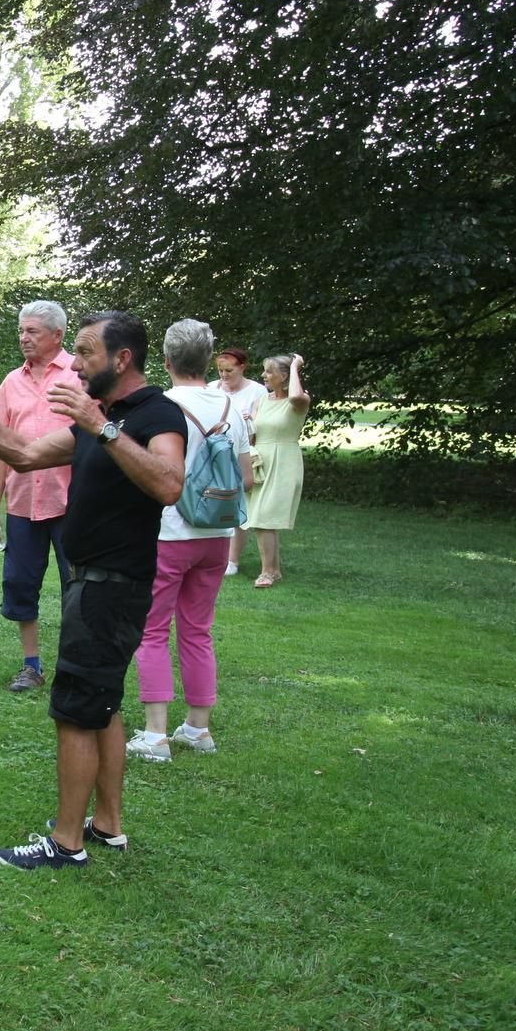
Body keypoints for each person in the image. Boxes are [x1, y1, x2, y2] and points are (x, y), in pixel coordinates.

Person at [0, 310, 186, 870]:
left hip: (112, 586)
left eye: (87, 352)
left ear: (122, 360)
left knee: (75, 710)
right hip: (90, 582)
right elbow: (24, 454)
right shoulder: (107, 416)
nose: (74, 362)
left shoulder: (154, 414)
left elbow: (170, 485)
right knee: (103, 704)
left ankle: (66, 843)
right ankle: (108, 825)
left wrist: (103, 429)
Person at [128, 320, 254, 763]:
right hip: (217, 534)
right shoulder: (232, 407)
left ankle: (155, 734)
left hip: (169, 532)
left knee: (153, 629)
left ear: (165, 361)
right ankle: (198, 728)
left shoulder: (162, 407)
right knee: (198, 630)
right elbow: (247, 476)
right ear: (209, 359)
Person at [0, 301, 83, 691]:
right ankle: (32, 666)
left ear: (57, 335)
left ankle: (73, 666)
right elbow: (1, 446)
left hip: (71, 504)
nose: (24, 338)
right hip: (23, 504)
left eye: (32, 332)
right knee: (21, 584)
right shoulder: (12, 382)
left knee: (75, 588)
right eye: (22, 331)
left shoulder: (81, 376)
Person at [243, 353, 311, 587]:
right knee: (261, 516)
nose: (264, 375)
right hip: (262, 460)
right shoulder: (262, 401)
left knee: (265, 517)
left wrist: (294, 367)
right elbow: (254, 433)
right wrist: (247, 422)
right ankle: (273, 569)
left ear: (283, 376)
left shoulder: (300, 401)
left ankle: (268, 572)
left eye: (269, 371)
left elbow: (294, 395)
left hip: (284, 461)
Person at [214, 347, 268, 575]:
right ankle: (214, 553)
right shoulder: (212, 389)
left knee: (239, 502)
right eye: (220, 370)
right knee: (215, 499)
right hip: (216, 452)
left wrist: (250, 420)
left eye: (229, 370)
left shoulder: (257, 391)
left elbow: (263, 424)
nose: (224, 375)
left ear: (242, 367)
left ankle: (232, 560)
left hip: (243, 452)